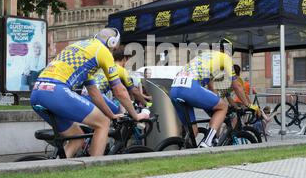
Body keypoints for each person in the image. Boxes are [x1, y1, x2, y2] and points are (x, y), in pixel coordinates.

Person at [30, 28, 149, 157]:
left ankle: (54, 168)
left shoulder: (83, 49)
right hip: (56, 91)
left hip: (37, 92)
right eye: (114, 49)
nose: (113, 52)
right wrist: (135, 116)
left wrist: (111, 115)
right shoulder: (102, 51)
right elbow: (119, 91)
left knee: (77, 138)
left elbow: (94, 93)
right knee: (103, 124)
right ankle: (94, 168)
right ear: (112, 43)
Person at [169, 37, 258, 148]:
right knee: (223, 107)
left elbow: (211, 87)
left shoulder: (205, 56)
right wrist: (249, 105)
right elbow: (237, 86)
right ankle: (207, 142)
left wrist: (217, 100)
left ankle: (185, 149)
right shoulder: (224, 57)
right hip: (189, 87)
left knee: (193, 132)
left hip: (174, 89)